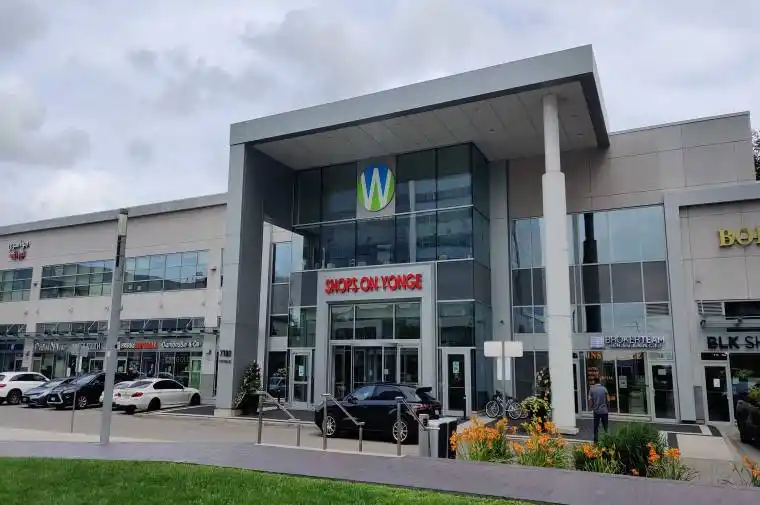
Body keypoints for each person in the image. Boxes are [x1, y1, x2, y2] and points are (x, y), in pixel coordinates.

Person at [588, 377, 610, 443]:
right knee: (606, 426)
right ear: (599, 381)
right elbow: (608, 400)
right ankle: (608, 439)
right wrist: (607, 407)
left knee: (596, 426)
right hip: (604, 411)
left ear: (594, 381)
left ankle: (596, 440)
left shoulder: (591, 389)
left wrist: (591, 407)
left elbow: (590, 401)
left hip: (596, 411)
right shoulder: (604, 389)